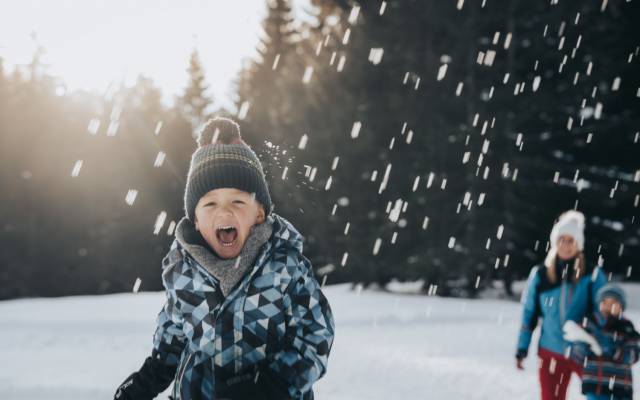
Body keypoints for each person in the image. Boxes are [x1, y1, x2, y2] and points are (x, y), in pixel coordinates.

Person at [114, 117, 335, 400]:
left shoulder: (283, 266)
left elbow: (315, 333)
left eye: (238, 202)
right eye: (210, 203)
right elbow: (173, 338)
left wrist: (273, 387)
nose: (224, 212)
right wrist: (148, 379)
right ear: (195, 219)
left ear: (259, 214)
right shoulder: (183, 272)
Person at [515, 210, 607, 400]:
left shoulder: (592, 274)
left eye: (570, 240)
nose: (565, 245)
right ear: (555, 241)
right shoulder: (540, 275)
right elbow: (529, 312)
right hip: (551, 352)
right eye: (561, 239)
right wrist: (522, 348)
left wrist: (598, 337)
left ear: (578, 244)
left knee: (600, 396)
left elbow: (604, 311)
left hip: (584, 352)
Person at [563, 284, 640, 400]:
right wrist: (580, 349)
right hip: (595, 386)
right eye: (604, 303)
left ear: (621, 306)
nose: (608, 307)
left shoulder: (626, 328)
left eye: (613, 303)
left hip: (620, 388)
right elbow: (575, 355)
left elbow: (633, 356)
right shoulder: (590, 324)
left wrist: (611, 349)